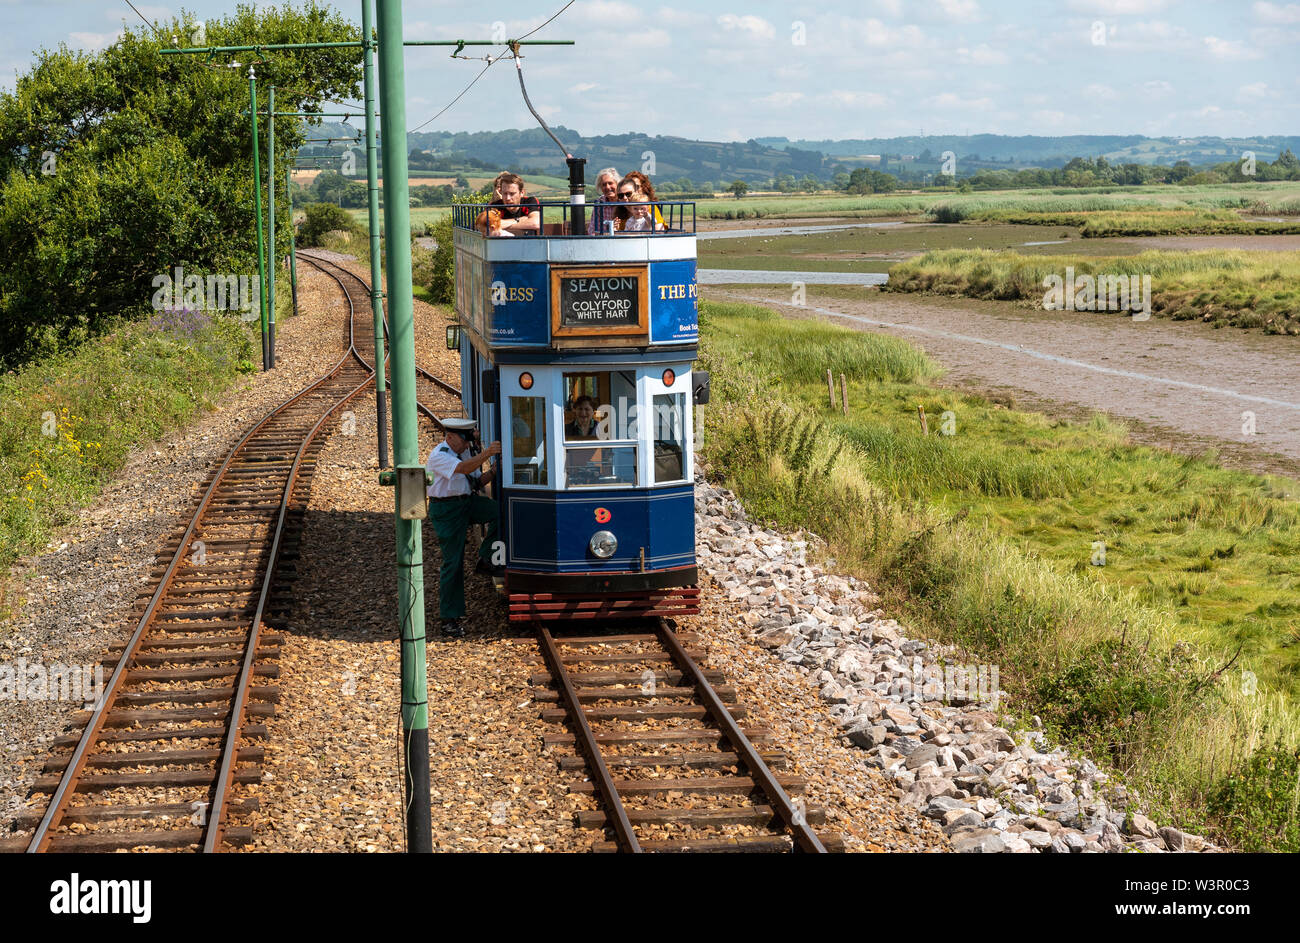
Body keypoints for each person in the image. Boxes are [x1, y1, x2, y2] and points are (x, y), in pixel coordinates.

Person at [425, 417, 502, 638]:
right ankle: (449, 618)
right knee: (453, 563)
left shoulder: (465, 451)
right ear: (450, 437)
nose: (467, 445)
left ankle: (485, 557)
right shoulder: (439, 455)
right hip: (446, 510)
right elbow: (462, 469)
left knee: (501, 512)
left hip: (466, 502)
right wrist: (487, 453)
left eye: (469, 440)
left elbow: (477, 481)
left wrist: (493, 471)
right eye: (464, 440)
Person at [488, 172, 540, 236]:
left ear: (522, 193)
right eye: (505, 193)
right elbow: (487, 226)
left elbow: (536, 223)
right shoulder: (495, 206)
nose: (508, 198)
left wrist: (501, 225)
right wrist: (518, 220)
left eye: (512, 194)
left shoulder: (530, 201)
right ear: (500, 192)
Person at [587, 167, 621, 235]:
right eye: (604, 184)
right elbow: (592, 231)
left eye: (610, 183)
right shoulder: (599, 204)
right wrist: (609, 229)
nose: (608, 187)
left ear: (617, 183)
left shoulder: (626, 201)